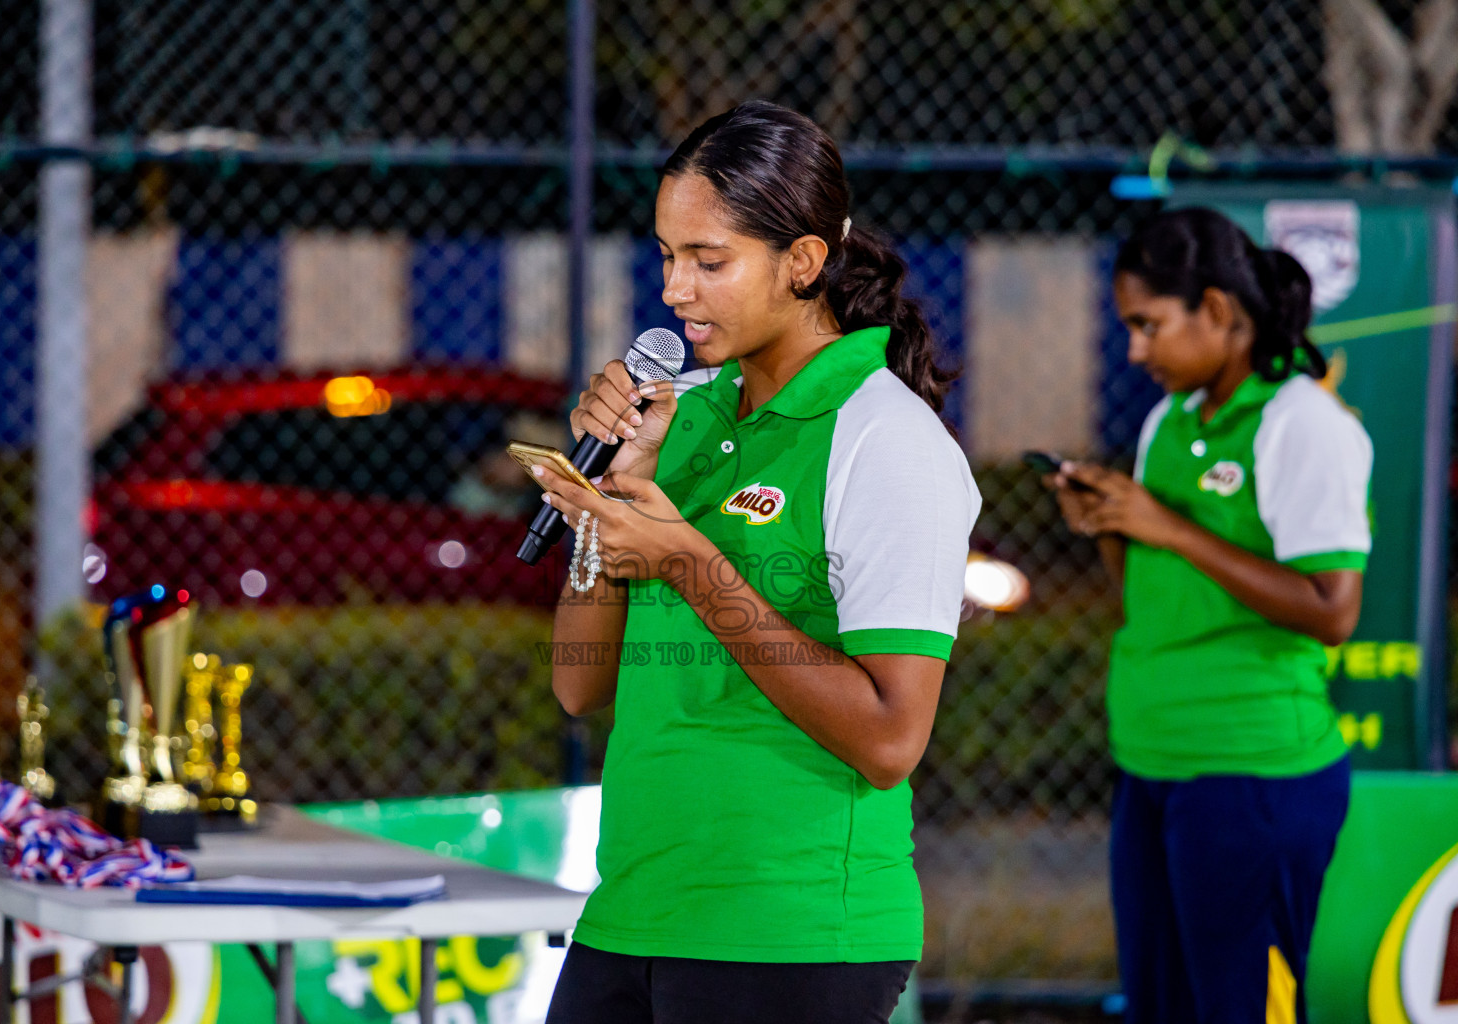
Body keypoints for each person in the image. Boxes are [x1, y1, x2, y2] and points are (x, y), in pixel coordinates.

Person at [529, 100, 980, 1024]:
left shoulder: (887, 440)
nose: (674, 292)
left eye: (709, 261)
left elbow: (891, 739)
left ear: (803, 262)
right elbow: (578, 686)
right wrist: (607, 504)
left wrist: (694, 564)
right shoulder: (680, 416)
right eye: (665, 256)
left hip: (794, 934)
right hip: (634, 915)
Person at [1049, 208, 1371, 1024]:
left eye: (1149, 325)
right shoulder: (1171, 421)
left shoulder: (1303, 424)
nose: (1135, 351)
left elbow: (1333, 612)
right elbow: (1157, 599)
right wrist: (1111, 530)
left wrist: (1166, 526)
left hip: (1251, 777)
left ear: (1220, 312)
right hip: (1153, 768)